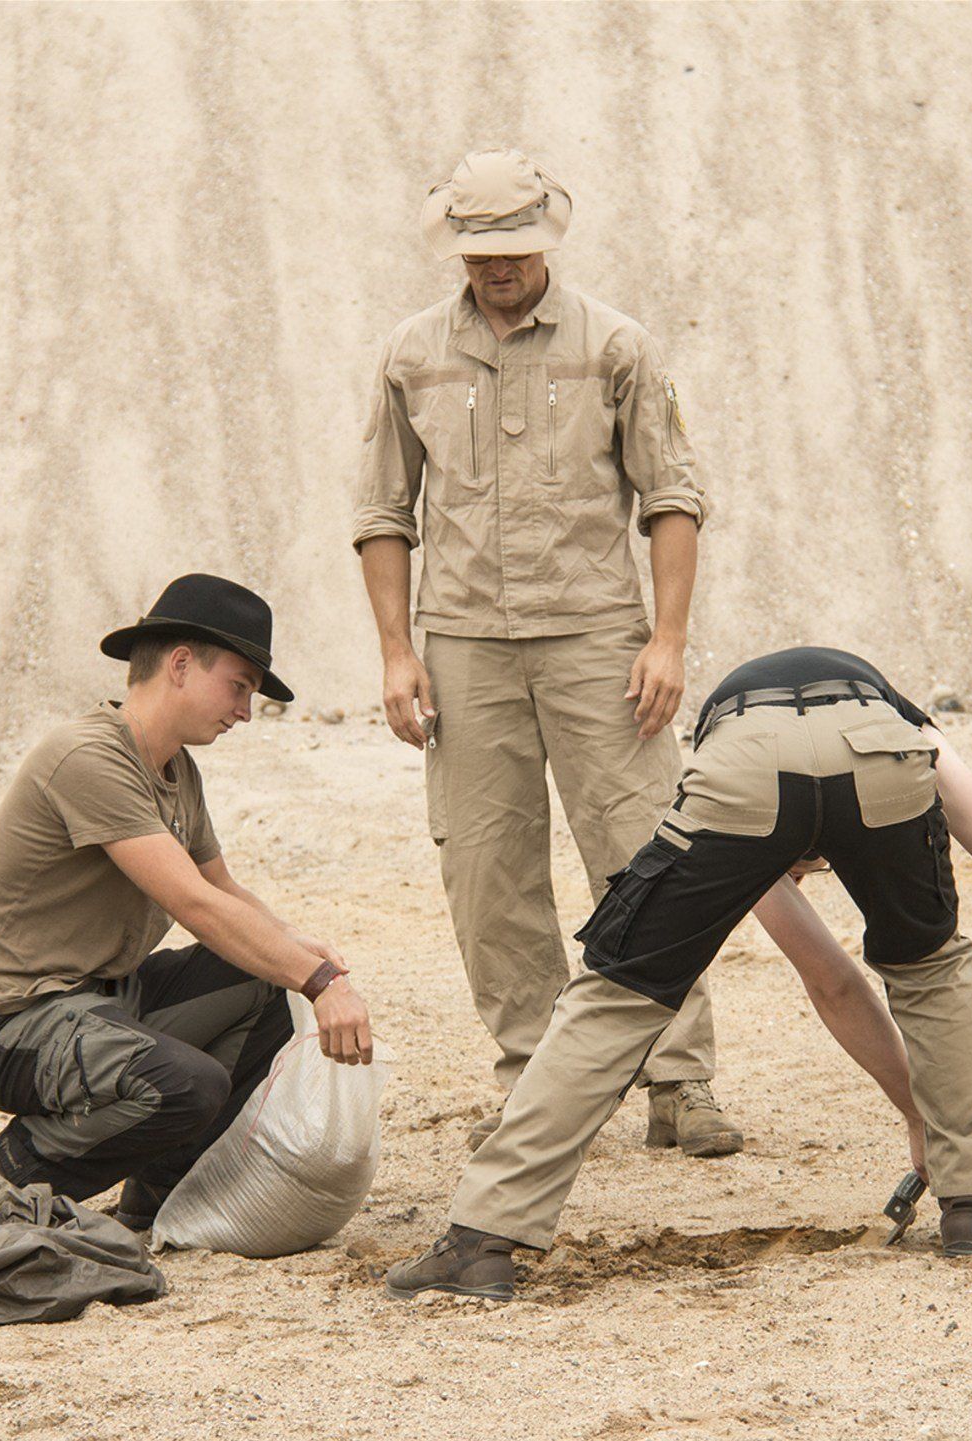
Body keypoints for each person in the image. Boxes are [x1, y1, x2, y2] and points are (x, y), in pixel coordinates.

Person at [386, 646, 972, 1300]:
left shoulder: (744, 789)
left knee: (620, 992)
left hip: (748, 767)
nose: (802, 872)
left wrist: (917, 1110)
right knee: (929, 968)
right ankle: (971, 1205)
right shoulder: (907, 727)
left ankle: (481, 1240)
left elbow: (833, 980)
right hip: (879, 761)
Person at [353, 147, 739, 1155]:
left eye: (514, 249)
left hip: (597, 641)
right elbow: (383, 511)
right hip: (468, 645)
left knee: (645, 854)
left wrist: (666, 638)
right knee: (488, 869)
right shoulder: (410, 356)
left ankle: (677, 1078)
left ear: (546, 241)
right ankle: (535, 1076)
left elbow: (672, 497)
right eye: (480, 253)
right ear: (459, 252)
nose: (498, 268)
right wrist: (398, 653)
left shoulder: (618, 348)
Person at [0, 574, 374, 1232]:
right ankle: (8, 1179)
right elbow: (192, 901)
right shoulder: (88, 756)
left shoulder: (175, 768)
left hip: (99, 1000)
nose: (245, 711)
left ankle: (157, 1196)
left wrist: (298, 949)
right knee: (186, 1083)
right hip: (13, 1024)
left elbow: (224, 889)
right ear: (179, 664)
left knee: (262, 984)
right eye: (239, 685)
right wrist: (316, 982)